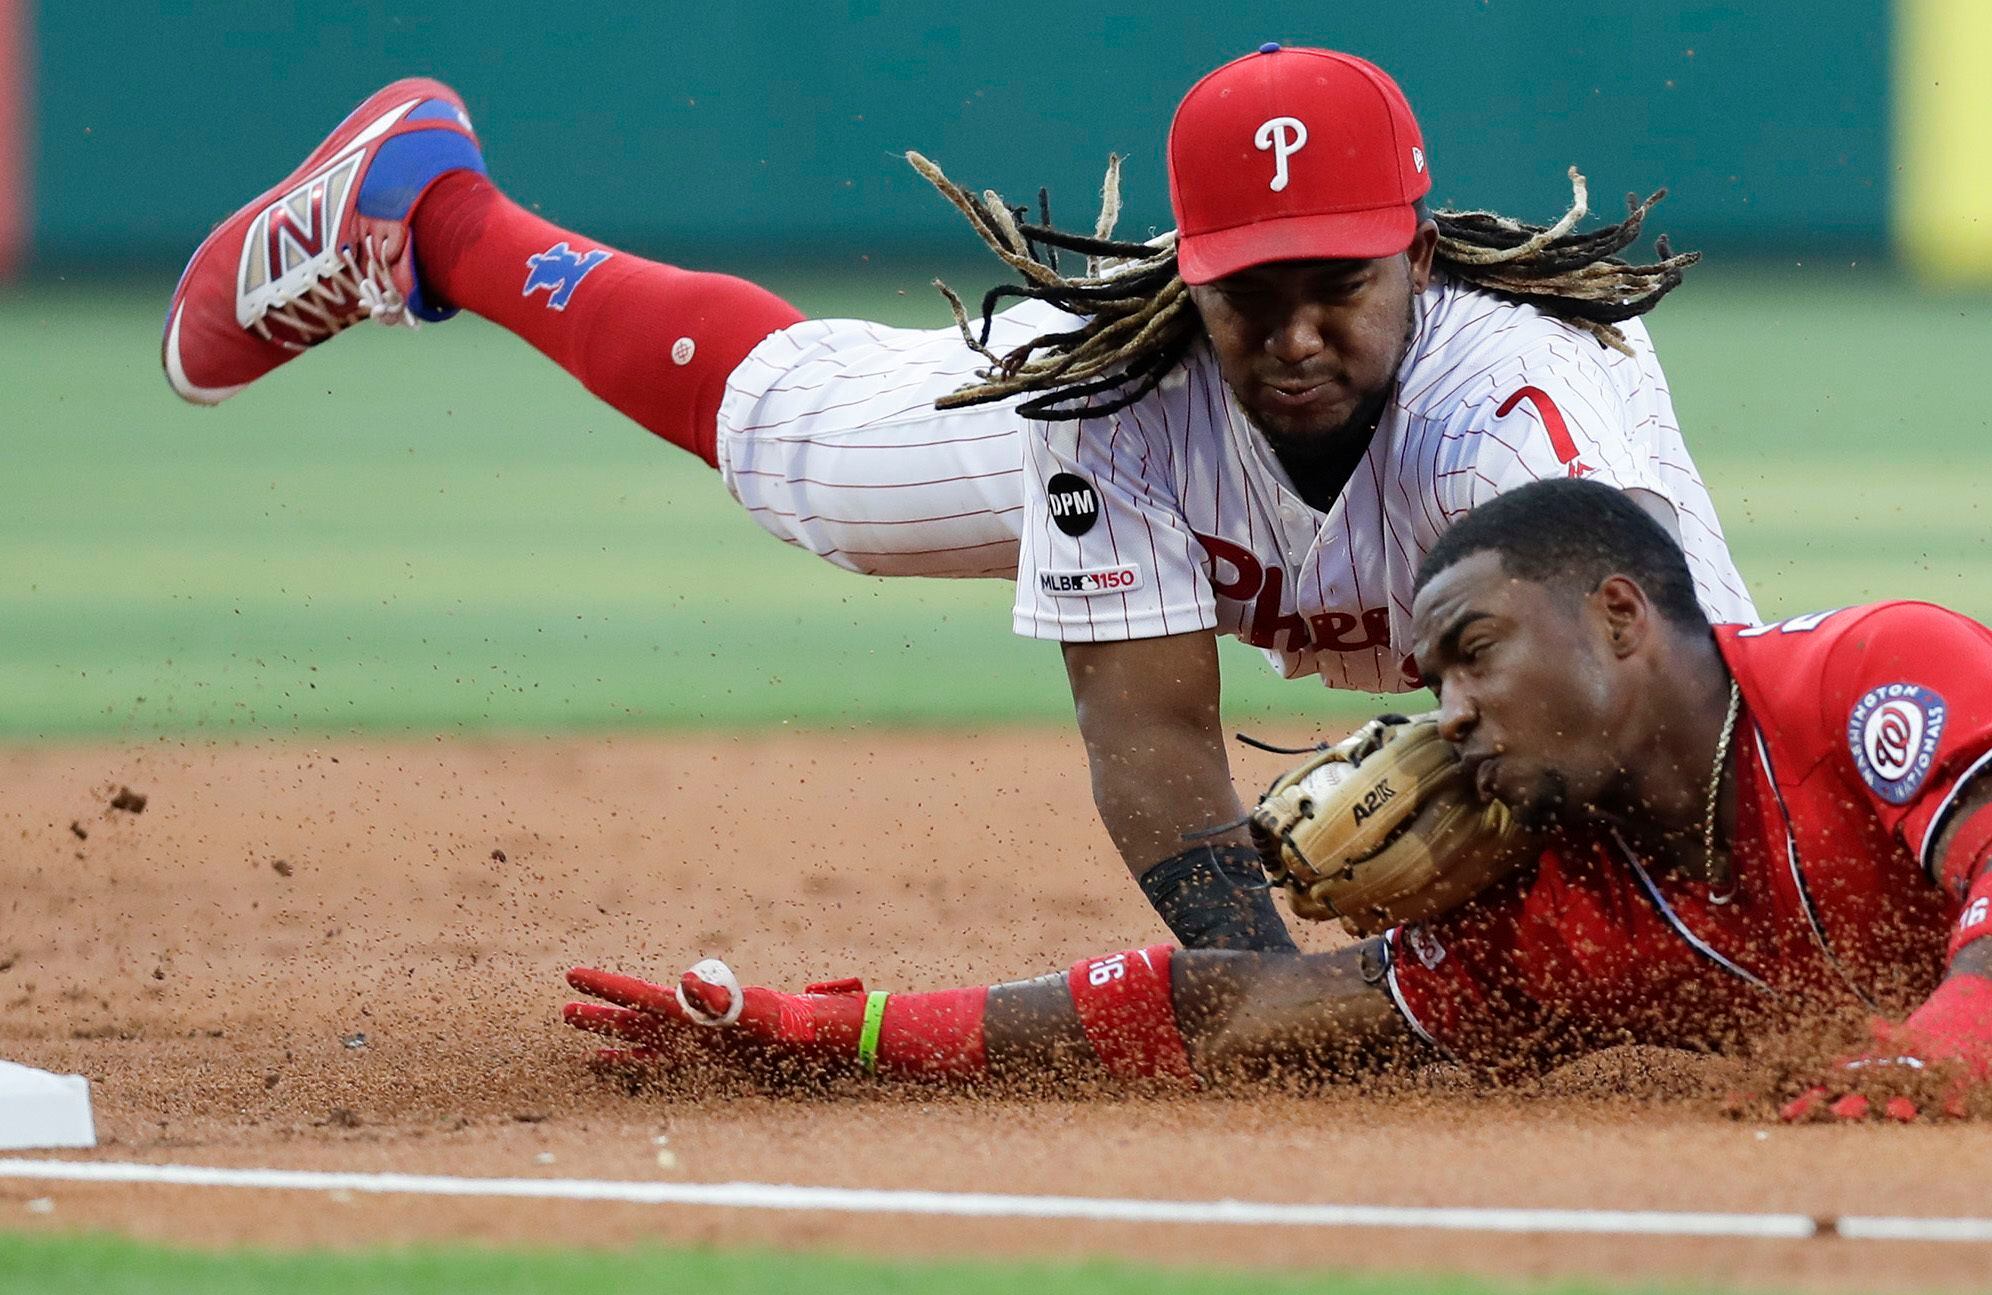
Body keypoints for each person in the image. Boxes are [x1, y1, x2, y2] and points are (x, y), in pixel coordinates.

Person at [162, 48, 1756, 953]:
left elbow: (1679, 730)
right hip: (1131, 440)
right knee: (792, 445)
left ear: (1415, 251)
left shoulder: (1525, 423)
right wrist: (1257, 977)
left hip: (1562, 571)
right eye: (1246, 292)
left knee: (1700, 779)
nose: (1291, 338)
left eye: (1336, 285)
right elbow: (1148, 736)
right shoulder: (1113, 387)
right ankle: (429, 210)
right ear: (1185, 277)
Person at [563, 481, 1992, 1123]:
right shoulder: (1550, 906)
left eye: (1476, 654)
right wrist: (843, 1031)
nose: (1451, 714)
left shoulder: (1868, 676)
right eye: (1433, 681)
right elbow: (1230, 1014)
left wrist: (1950, 1044)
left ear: (1619, 616)